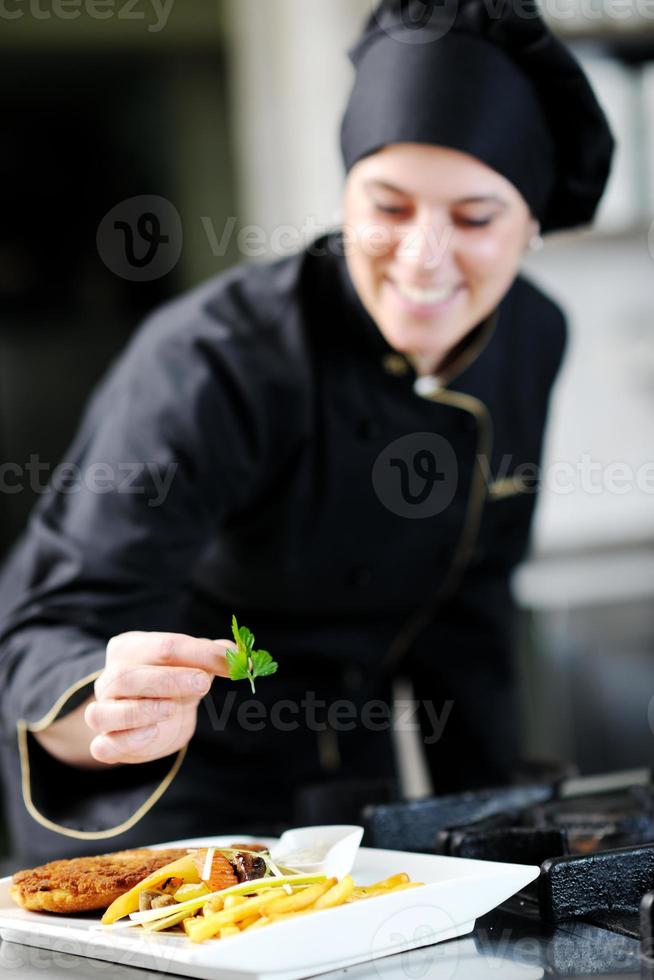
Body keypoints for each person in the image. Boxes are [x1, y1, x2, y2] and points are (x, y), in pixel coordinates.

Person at [0, 0, 613, 863]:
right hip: (165, 805)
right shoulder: (213, 360)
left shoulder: (531, 337)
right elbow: (43, 631)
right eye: (389, 207)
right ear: (345, 193)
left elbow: (470, 620)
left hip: (351, 802)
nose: (424, 256)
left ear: (532, 225)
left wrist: (509, 845)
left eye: (474, 218)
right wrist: (108, 704)